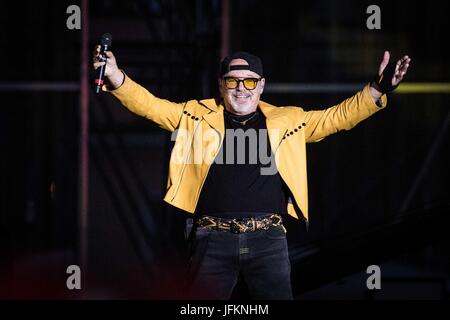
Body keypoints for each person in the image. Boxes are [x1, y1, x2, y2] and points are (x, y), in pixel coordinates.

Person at [93, 47, 411, 299]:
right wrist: (116, 75)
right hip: (212, 239)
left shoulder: (288, 119)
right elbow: (150, 105)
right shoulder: (194, 115)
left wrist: (375, 90)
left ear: (261, 86)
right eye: (232, 81)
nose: (240, 88)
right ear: (221, 85)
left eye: (249, 81)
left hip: (268, 240)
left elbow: (336, 118)